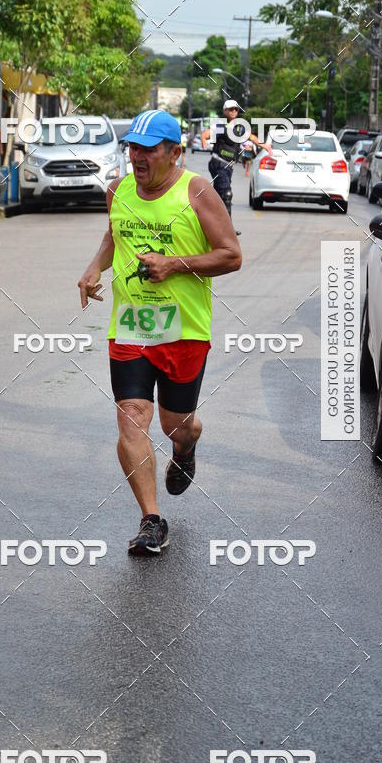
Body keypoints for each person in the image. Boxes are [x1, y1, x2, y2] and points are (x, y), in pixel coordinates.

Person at [77, 110, 242, 557]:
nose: (137, 157)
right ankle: (152, 519)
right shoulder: (118, 190)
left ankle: (186, 448)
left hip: (184, 330)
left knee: (176, 425)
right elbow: (115, 236)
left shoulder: (198, 192)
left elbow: (231, 255)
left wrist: (174, 264)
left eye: (149, 149)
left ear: (174, 152)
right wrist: (95, 267)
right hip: (130, 327)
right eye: (133, 147)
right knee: (131, 416)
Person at [201, 99, 271, 224]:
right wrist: (203, 140)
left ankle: (211, 223)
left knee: (219, 196)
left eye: (236, 109)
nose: (234, 111)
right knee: (227, 194)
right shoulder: (221, 125)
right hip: (219, 163)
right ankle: (228, 228)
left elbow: (252, 137)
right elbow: (206, 133)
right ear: (225, 111)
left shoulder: (239, 127)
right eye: (231, 109)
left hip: (228, 166)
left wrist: (265, 145)